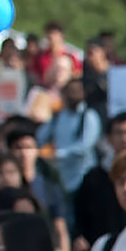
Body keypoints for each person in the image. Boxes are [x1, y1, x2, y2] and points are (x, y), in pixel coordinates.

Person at [71, 111, 126, 251]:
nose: (124, 138)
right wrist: (79, 236)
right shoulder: (94, 177)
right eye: (119, 133)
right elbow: (80, 212)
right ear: (109, 138)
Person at [39, 71, 104, 201]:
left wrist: (61, 154)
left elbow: (86, 145)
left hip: (84, 174)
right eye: (69, 91)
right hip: (61, 176)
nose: (72, 95)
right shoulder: (58, 116)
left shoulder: (89, 116)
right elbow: (41, 136)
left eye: (76, 91)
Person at [4, 119, 69, 228]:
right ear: (10, 151)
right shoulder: (5, 183)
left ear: (36, 150)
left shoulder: (49, 181)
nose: (24, 153)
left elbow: (60, 222)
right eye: (18, 148)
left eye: (28, 147)